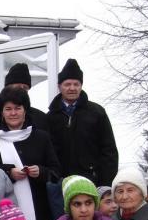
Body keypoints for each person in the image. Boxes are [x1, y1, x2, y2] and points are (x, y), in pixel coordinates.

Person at [0, 86, 62, 220]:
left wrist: (41, 172)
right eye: (8, 109)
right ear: (1, 112)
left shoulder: (41, 138)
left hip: (40, 213)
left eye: (18, 108)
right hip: (3, 212)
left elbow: (56, 171)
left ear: (25, 110)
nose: (13, 113)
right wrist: (9, 173)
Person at [47, 59, 119, 187]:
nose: (72, 88)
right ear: (59, 86)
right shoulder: (50, 117)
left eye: (76, 84)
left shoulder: (97, 113)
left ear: (81, 86)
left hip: (92, 182)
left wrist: (105, 184)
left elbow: (109, 151)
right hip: (61, 184)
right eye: (67, 84)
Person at [0, 63, 49, 132]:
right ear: (7, 87)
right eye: (18, 87)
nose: (22, 90)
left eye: (25, 87)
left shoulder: (40, 118)